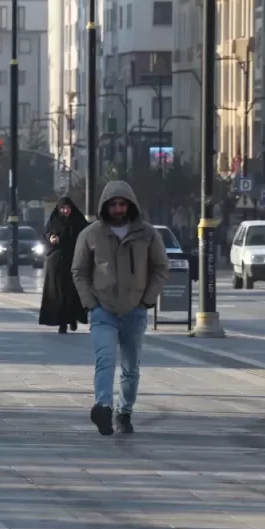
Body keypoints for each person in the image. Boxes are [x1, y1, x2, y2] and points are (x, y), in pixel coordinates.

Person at [72, 180, 169, 436]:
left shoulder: (147, 234)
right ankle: (103, 407)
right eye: (113, 204)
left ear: (130, 205)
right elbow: (79, 272)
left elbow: (161, 267)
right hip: (103, 309)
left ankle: (124, 412)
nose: (118, 209)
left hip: (135, 309)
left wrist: (147, 300)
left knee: (130, 366)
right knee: (105, 359)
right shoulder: (90, 234)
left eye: (122, 204)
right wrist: (90, 304)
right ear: (105, 206)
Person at [39, 197, 89, 334]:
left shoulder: (78, 222)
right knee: (59, 292)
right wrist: (51, 238)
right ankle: (62, 322)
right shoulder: (54, 221)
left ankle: (72, 317)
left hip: (75, 260)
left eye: (67, 208)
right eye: (63, 208)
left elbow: (86, 235)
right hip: (57, 261)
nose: (65, 211)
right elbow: (45, 235)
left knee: (73, 292)